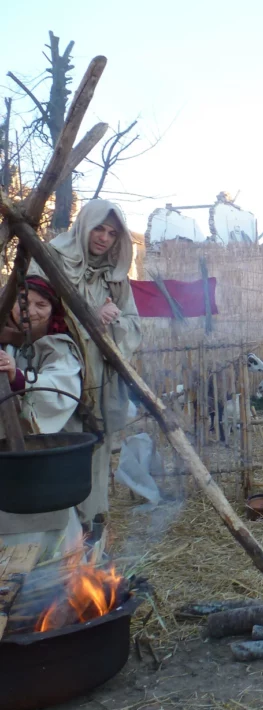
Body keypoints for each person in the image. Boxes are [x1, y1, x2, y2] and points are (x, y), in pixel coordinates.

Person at [30, 199, 142, 531]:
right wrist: (88, 319)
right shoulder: (51, 260)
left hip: (101, 379)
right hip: (59, 376)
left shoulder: (115, 276)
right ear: (84, 225)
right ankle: (61, 537)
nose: (104, 238)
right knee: (61, 450)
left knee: (95, 450)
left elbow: (135, 325)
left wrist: (114, 323)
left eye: (111, 233)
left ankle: (92, 532)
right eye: (98, 228)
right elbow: (32, 314)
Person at [0, 276, 86, 556]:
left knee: (50, 522)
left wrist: (18, 376)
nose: (32, 311)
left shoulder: (58, 345)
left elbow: (61, 386)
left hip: (46, 458)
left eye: (42, 304)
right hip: (5, 456)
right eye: (23, 301)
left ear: (54, 310)